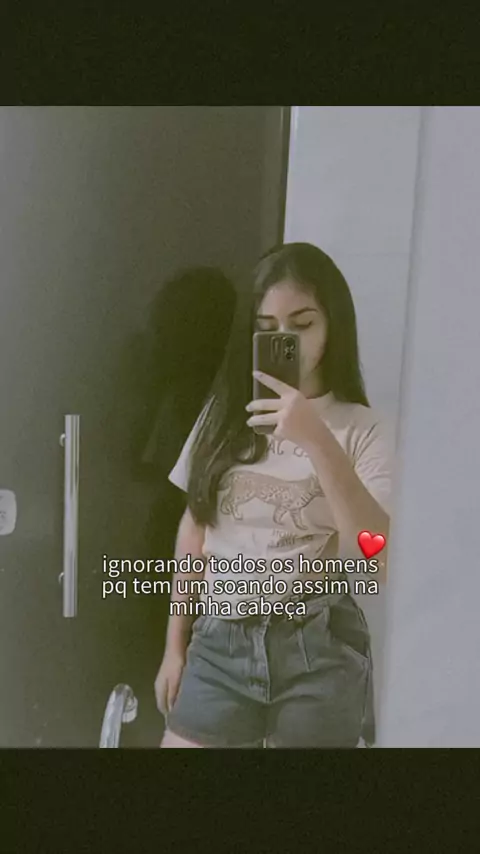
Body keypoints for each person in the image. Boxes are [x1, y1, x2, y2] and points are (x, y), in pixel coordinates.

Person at [154, 242, 393, 748]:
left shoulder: (362, 429)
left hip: (316, 645)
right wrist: (174, 646)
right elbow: (194, 529)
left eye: (302, 324)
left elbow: (372, 557)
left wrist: (316, 438)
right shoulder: (225, 414)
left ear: (333, 326)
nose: (286, 341)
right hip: (219, 642)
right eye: (268, 328)